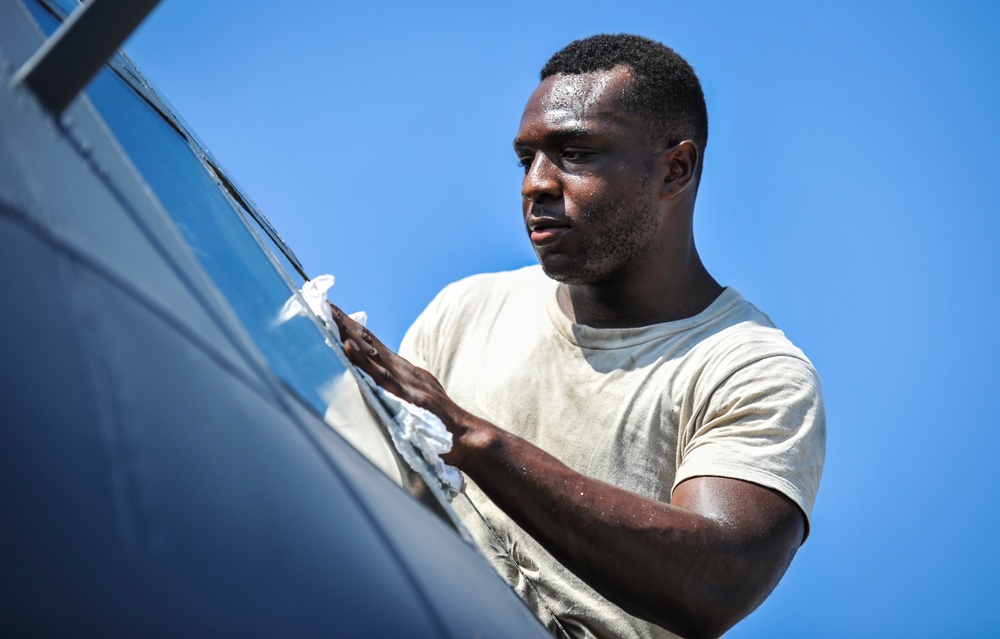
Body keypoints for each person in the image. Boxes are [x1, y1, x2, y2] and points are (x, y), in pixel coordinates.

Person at [332, 34, 825, 639]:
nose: (534, 184)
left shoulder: (750, 369)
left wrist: (471, 439)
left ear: (676, 169)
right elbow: (363, 489)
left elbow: (718, 581)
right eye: (526, 158)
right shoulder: (467, 309)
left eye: (576, 153)